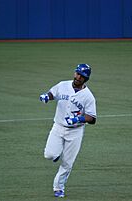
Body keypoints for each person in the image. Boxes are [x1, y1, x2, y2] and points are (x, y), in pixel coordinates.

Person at [39, 64, 97, 198]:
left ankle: (58, 188)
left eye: (81, 76)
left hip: (75, 132)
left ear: (86, 78)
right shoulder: (63, 85)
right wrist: (47, 97)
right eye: (77, 73)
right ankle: (56, 154)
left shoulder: (88, 97)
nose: (77, 77)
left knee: (67, 163)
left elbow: (92, 118)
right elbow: (53, 93)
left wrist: (78, 119)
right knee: (49, 155)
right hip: (58, 127)